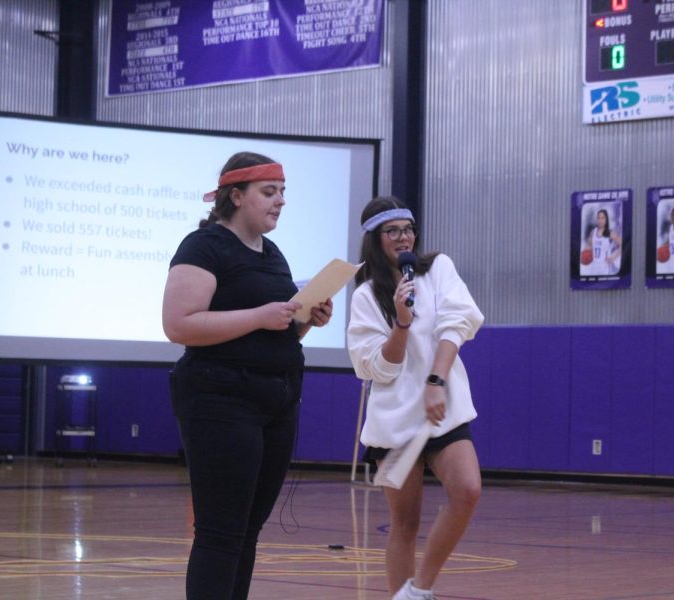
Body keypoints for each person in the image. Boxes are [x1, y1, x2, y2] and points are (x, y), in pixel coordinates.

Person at [161, 152, 333, 600]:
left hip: (273, 403)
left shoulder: (272, 254)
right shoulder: (203, 247)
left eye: (282, 193)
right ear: (235, 196)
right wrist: (259, 315)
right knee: (220, 532)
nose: (280, 202)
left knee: (247, 532)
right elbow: (179, 325)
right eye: (269, 192)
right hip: (220, 400)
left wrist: (308, 318)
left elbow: (280, 328)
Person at [346, 196, 484, 600]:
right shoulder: (366, 297)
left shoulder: (438, 269)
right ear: (375, 239)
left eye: (408, 229)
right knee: (404, 524)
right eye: (393, 231)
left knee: (468, 491)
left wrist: (436, 380)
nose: (404, 237)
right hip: (395, 423)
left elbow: (456, 325)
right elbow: (378, 369)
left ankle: (419, 589)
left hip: (441, 410)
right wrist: (401, 324)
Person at [580, 207, 622, 276]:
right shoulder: (593, 232)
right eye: (599, 218)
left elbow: (623, 244)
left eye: (603, 218)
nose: (600, 220)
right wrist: (583, 256)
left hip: (606, 269)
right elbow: (589, 246)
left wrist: (614, 256)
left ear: (606, 219)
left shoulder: (611, 233)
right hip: (593, 268)